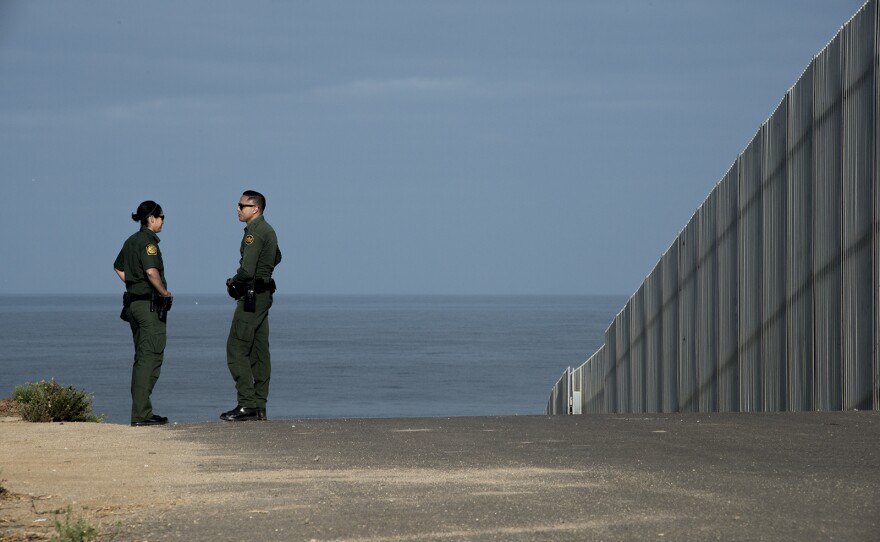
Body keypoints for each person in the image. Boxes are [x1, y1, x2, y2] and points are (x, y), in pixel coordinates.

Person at [221, 190, 282, 421]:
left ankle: (247, 404)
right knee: (259, 350)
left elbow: (246, 270)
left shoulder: (254, 233)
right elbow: (277, 257)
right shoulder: (268, 230)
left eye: (241, 205)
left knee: (236, 348)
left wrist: (233, 282)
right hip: (264, 294)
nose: (237, 209)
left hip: (252, 296)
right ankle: (259, 405)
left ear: (255, 208)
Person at [114, 200, 173, 427]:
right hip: (148, 306)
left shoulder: (131, 241)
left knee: (141, 357)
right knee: (150, 357)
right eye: (162, 217)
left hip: (133, 305)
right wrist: (164, 292)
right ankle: (141, 415)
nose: (163, 221)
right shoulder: (149, 243)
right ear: (152, 218)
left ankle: (142, 411)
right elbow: (151, 271)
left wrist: (132, 283)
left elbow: (118, 267)